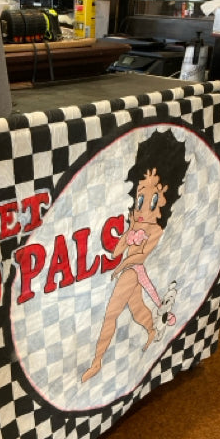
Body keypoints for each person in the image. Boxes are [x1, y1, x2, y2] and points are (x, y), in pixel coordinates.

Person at [82, 129, 189, 383]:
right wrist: (129, 229)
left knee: (111, 314)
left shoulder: (156, 229)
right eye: (141, 198)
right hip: (130, 271)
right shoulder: (137, 225)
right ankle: (152, 331)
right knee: (137, 307)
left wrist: (120, 268)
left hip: (132, 272)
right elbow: (117, 251)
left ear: (163, 202)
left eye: (151, 200)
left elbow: (138, 258)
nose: (143, 207)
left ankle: (97, 362)